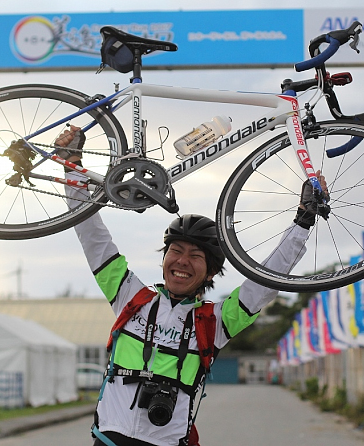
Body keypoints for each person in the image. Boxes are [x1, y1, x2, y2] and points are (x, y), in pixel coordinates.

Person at [56, 126, 325, 446]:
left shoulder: (215, 322)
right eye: (176, 251)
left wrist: (303, 221)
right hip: (108, 439)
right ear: (164, 258)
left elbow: (263, 283)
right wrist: (70, 164)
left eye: (195, 256)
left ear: (210, 273)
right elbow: (93, 238)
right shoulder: (131, 297)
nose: (182, 261)